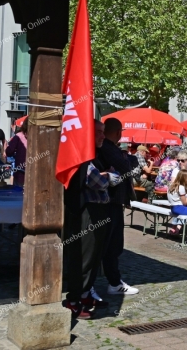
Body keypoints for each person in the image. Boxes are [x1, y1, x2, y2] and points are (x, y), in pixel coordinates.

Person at [62, 120, 113, 319]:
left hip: (97, 212)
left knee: (93, 258)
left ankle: (84, 296)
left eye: (103, 132)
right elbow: (97, 180)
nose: (103, 136)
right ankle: (74, 301)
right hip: (86, 213)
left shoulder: (95, 155)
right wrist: (108, 176)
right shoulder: (82, 156)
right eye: (98, 132)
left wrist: (107, 175)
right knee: (83, 258)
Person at [96, 118, 140, 296]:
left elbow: (131, 161)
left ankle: (113, 281)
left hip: (113, 202)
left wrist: (125, 158)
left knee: (112, 245)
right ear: (118, 133)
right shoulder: (106, 147)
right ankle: (112, 282)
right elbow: (126, 166)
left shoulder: (109, 147)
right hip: (110, 202)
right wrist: (124, 159)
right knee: (111, 245)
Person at [5, 118, 27, 186]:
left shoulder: (18, 136)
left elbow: (9, 151)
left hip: (21, 169)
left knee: (19, 189)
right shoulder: (38, 136)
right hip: (35, 169)